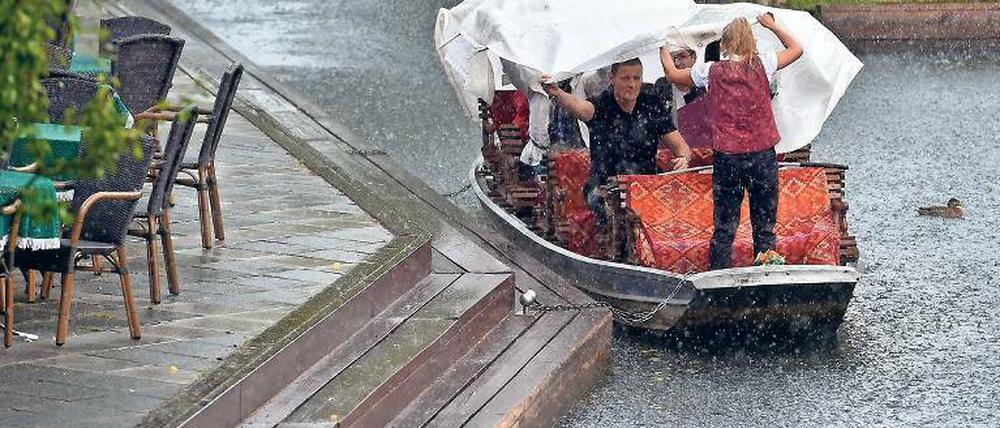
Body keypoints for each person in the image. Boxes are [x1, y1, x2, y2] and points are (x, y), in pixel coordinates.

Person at [660, 13, 803, 270]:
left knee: (725, 227)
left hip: (728, 157)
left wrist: (661, 44)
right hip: (762, 155)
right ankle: (766, 273)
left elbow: (672, 74)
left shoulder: (709, 71)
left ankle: (718, 275)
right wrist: (772, 25)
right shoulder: (764, 63)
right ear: (751, 42)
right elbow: (796, 49)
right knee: (764, 226)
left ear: (724, 45)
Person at [542, 58, 691, 222]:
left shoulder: (652, 105)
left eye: (637, 78)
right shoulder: (601, 104)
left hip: (645, 183)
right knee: (609, 204)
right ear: (612, 79)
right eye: (625, 78)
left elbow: (681, 148)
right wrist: (558, 93)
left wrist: (683, 159)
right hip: (604, 185)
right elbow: (580, 107)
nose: (632, 85)